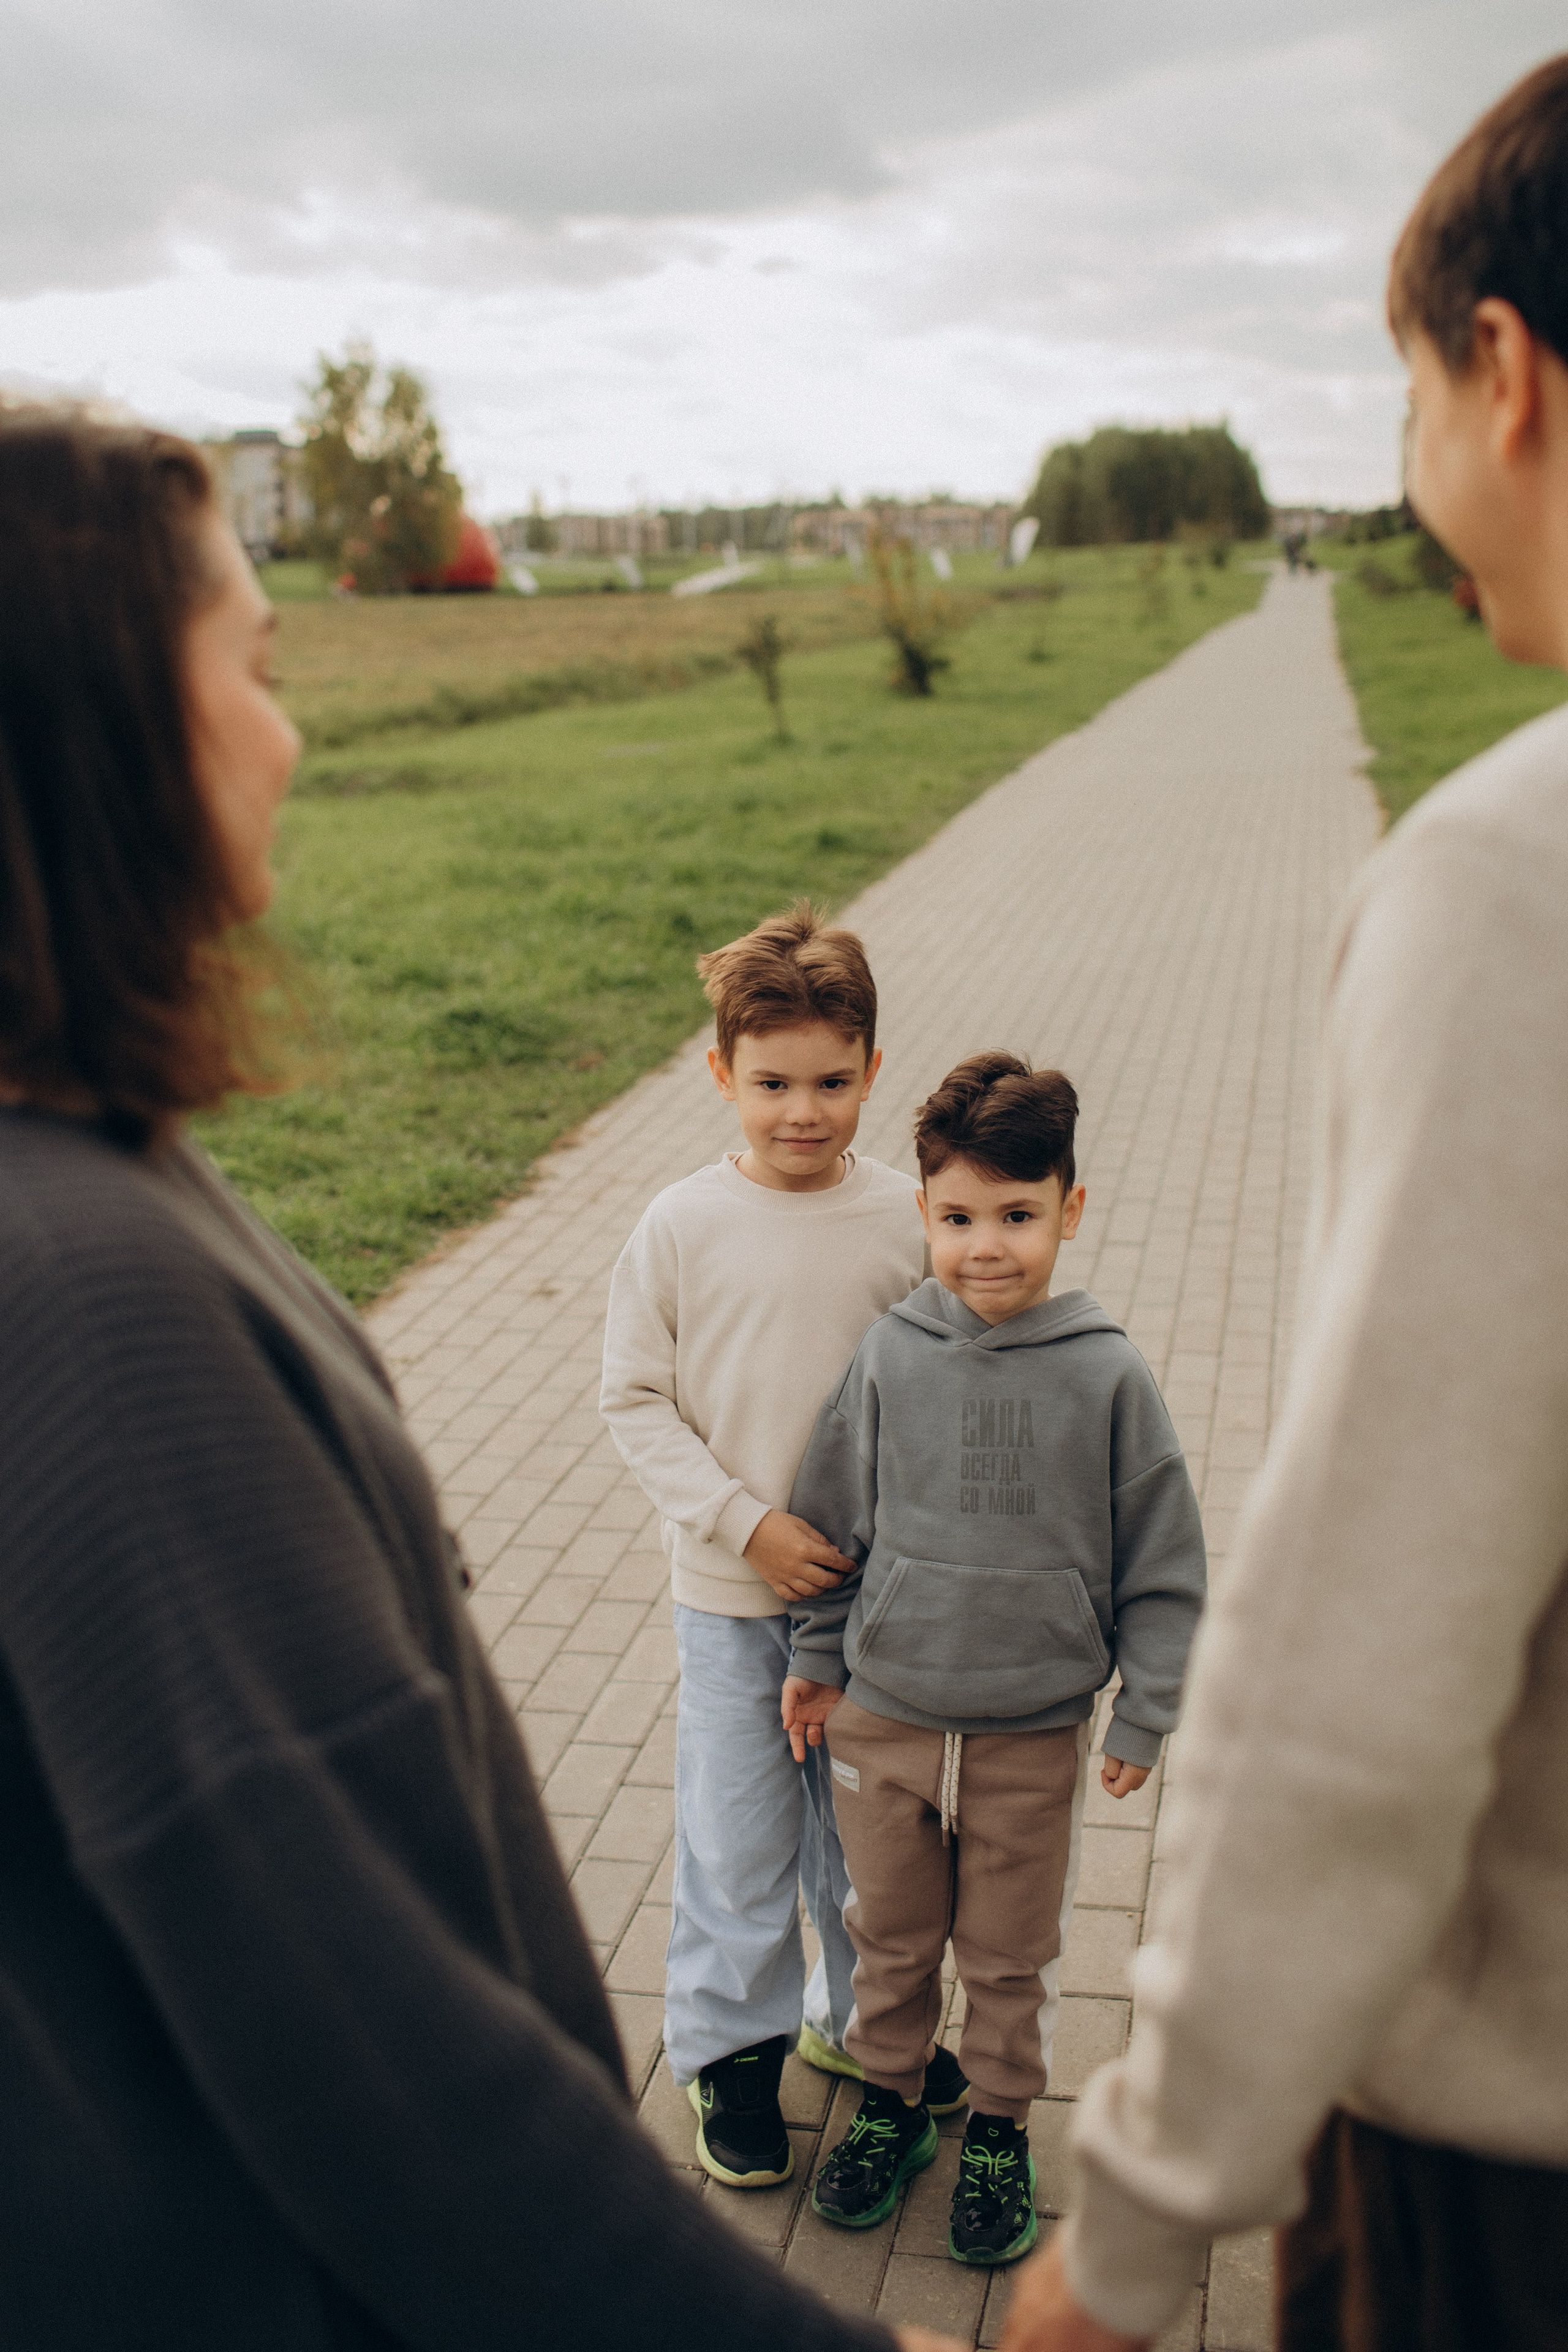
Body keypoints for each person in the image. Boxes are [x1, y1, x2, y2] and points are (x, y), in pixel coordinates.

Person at [0, 405, 960, 2352]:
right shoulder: (88, 1294)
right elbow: (366, 2045)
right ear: (101, 727)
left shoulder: (93, 1177)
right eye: (255, 665)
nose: (290, 733)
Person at [1001, 55, 1568, 2352]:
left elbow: (1367, 1674)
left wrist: (1134, 2236)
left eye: (1408, 395)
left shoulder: (1516, 885)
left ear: (1506, 373)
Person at [780, 1055, 1206, 2269]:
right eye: (959, 1218)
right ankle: (891, 2105)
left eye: (1018, 1216)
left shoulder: (1107, 1373)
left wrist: (1144, 1711)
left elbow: (1163, 1560)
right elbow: (832, 1522)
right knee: (888, 1936)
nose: (985, 1248)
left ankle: (1003, 2127)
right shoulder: (889, 1356)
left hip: (1030, 1733)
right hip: (884, 1720)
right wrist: (818, 1655)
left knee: (1011, 1957)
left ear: (1070, 1209)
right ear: (923, 1213)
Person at [599, 905, 970, 2191]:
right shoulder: (679, 1225)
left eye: (830, 1083)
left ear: (871, 1072)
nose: (801, 1113)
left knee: (871, 1841)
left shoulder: (907, 1221)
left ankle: (859, 2024)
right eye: (771, 1085)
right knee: (738, 1833)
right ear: (721, 1075)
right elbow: (633, 1401)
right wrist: (742, 1524)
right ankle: (731, 2051)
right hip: (730, 1599)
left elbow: (943, 1395)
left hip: (871, 1608)